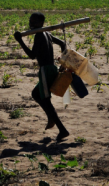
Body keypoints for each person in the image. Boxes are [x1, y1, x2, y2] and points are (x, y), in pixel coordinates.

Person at [14, 12, 70, 142]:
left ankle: (62, 130)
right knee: (36, 94)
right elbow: (62, 43)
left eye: (34, 22)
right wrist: (63, 59)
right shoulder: (47, 33)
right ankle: (51, 118)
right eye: (30, 21)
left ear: (41, 23)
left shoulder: (39, 35)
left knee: (45, 100)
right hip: (51, 68)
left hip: (46, 70)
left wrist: (20, 41)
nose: (31, 24)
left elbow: (32, 55)